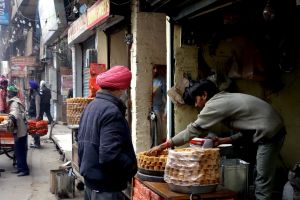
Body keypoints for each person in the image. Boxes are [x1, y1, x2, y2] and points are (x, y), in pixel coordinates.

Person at [147, 79, 286, 200]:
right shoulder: (222, 98)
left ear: (204, 95)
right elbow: (247, 131)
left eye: (196, 100)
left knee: (262, 179)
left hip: (270, 132)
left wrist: (164, 145)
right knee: (258, 174)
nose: (196, 105)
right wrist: (222, 140)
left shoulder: (214, 104)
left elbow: (193, 130)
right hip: (266, 128)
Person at [78, 66, 137, 200]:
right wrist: (131, 165)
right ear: (120, 88)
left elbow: (80, 140)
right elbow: (109, 155)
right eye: (127, 88)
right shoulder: (111, 112)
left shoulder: (91, 107)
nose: (126, 92)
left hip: (91, 183)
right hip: (106, 188)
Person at [7, 85, 29, 176]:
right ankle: (20, 168)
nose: (7, 94)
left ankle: (24, 170)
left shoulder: (14, 103)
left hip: (20, 130)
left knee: (20, 151)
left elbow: (14, 113)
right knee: (17, 150)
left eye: (8, 92)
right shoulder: (17, 101)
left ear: (11, 93)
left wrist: (10, 119)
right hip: (21, 129)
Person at [151, 65, 167, 146]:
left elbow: (167, 95)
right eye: (153, 68)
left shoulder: (160, 80)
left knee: (157, 136)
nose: (155, 70)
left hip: (157, 110)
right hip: (145, 110)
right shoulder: (144, 79)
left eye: (156, 68)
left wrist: (166, 111)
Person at [28, 80, 41, 148]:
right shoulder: (32, 94)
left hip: (34, 114)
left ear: (32, 87)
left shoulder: (37, 95)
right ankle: (36, 142)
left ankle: (37, 143)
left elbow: (37, 105)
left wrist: (37, 115)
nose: (29, 87)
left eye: (30, 86)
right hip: (31, 113)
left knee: (35, 130)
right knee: (33, 129)